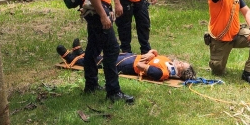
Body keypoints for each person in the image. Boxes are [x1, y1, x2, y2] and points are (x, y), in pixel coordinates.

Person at [56, 39, 196, 81]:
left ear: (179, 73)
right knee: (104, 56)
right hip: (132, 57)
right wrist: (151, 53)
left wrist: (149, 57)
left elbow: (142, 67)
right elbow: (154, 54)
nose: (180, 61)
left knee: (101, 63)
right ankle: (82, 53)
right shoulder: (168, 62)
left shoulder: (163, 73)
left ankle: (70, 58)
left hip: (129, 65)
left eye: (182, 64)